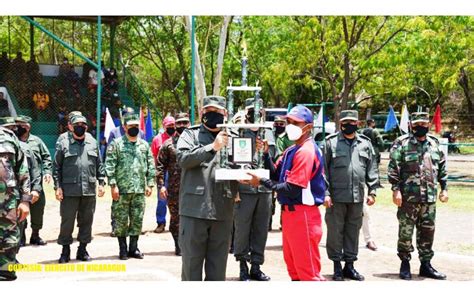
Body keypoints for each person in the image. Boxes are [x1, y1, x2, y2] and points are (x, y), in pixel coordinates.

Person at [242, 104, 326, 281]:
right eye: (288, 121)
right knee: (294, 269)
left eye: (295, 122)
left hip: (303, 215)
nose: (290, 125)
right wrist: (265, 155)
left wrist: (261, 182)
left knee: (308, 273)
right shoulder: (291, 150)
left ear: (308, 127)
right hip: (290, 214)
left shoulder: (306, 151)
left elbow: (292, 188)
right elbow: (275, 174)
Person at [177, 95, 238, 281]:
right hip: (194, 210)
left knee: (217, 271)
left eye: (217, 112)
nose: (212, 115)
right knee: (191, 268)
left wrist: (258, 154)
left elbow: (244, 168)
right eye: (208, 111)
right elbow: (183, 159)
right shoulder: (190, 134)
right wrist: (212, 147)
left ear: (225, 113)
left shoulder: (234, 138)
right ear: (202, 112)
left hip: (222, 211)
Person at [388, 112, 448, 280]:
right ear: (411, 126)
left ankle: (426, 265)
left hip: (429, 198)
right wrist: (395, 189)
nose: (420, 127)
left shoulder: (434, 144)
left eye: (423, 124)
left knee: (427, 232)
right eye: (417, 125)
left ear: (428, 125)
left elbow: (442, 168)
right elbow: (393, 167)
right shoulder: (402, 143)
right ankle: (405, 263)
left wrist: (445, 189)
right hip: (408, 198)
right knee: (405, 232)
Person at [323, 110, 378, 281]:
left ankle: (350, 266)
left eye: (352, 122)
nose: (349, 125)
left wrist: (373, 191)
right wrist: (325, 193)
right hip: (336, 197)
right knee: (335, 232)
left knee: (353, 232)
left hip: (357, 197)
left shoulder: (365, 143)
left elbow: (372, 168)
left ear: (358, 124)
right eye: (345, 122)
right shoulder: (330, 143)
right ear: (340, 123)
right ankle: (337, 266)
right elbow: (322, 171)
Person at [53, 115, 105, 263]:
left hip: (88, 189)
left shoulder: (92, 142)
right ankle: (65, 250)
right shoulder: (63, 143)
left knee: (87, 221)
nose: (80, 126)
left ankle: (82, 250)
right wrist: (57, 187)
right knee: (67, 221)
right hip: (69, 191)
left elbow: (99, 165)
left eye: (83, 124)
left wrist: (101, 183)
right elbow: (56, 167)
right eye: (77, 124)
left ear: (86, 127)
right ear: (70, 126)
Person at [233, 98, 274, 281]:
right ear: (247, 113)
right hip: (245, 190)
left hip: (264, 190)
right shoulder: (238, 132)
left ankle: (256, 266)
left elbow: (275, 164)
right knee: (242, 229)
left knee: (261, 229)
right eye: (252, 111)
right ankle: (242, 266)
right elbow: (231, 163)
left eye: (259, 111)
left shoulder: (269, 133)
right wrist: (234, 190)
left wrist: (265, 152)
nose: (256, 115)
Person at [105, 114, 155, 260]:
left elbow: (150, 165)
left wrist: (150, 183)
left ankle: (134, 248)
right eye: (131, 126)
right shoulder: (116, 144)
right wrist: (113, 185)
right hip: (122, 190)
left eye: (136, 126)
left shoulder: (144, 145)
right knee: (120, 220)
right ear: (125, 127)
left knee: (137, 219)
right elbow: (110, 165)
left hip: (139, 189)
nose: (134, 129)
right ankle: (123, 249)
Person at [0, 117, 41, 249]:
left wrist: (26, 200)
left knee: (11, 237)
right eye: (10, 128)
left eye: (14, 128)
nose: (14, 130)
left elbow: (27, 172)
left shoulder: (19, 145)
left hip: (11, 200)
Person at [0, 120, 31, 281]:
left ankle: (5, 269)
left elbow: (22, 170)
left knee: (9, 235)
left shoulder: (9, 137)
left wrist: (25, 200)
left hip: (8, 201)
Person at [156, 112, 190, 256]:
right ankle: (178, 245)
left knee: (193, 218)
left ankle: (190, 244)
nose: (182, 125)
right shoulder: (168, 144)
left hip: (194, 188)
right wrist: (161, 185)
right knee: (176, 218)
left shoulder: (195, 142)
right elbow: (159, 166)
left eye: (185, 122)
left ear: (189, 123)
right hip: (175, 189)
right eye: (179, 123)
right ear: (175, 124)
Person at [15, 115, 52, 246]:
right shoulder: (13, 141)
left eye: (22, 125)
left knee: (38, 210)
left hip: (36, 182)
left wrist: (47, 172)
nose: (19, 127)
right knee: (20, 209)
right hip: (19, 183)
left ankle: (35, 235)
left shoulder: (36, 141)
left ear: (28, 126)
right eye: (17, 124)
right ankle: (21, 236)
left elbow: (47, 157)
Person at [360, 118, 385, 251]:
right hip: (373, 154)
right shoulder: (375, 131)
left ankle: (369, 239)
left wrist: (372, 191)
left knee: (365, 212)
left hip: (362, 181)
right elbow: (381, 143)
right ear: (373, 123)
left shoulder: (363, 132)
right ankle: (368, 239)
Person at [151, 115, 176, 233]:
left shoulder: (180, 138)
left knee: (177, 199)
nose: (171, 127)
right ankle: (161, 223)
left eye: (173, 125)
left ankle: (176, 223)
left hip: (176, 171)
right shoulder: (157, 139)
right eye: (169, 126)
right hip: (163, 172)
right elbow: (154, 157)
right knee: (162, 199)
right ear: (164, 126)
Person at [269, 115, 293, 231]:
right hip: (272, 170)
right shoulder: (270, 135)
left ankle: (284, 223)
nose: (279, 126)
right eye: (276, 124)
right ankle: (267, 223)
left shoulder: (290, 138)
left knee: (284, 197)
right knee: (270, 199)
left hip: (284, 171)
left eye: (281, 124)